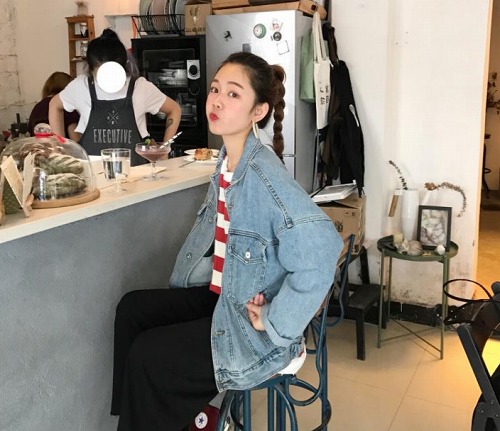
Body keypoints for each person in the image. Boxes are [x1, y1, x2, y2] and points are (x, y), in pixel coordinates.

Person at [110, 51, 343, 431]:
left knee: (148, 355)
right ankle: (148, 418)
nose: (217, 100)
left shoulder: (263, 176)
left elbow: (322, 249)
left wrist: (276, 319)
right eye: (215, 89)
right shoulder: (226, 163)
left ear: (258, 111)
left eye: (234, 94)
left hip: (250, 326)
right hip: (222, 295)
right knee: (132, 310)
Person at [49, 28, 181, 165]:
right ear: (90, 70)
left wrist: (164, 150)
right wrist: (59, 151)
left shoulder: (140, 88)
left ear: (123, 68)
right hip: (93, 173)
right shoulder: (81, 87)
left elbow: (174, 110)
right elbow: (54, 105)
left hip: (135, 174)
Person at [28, 72, 80, 141]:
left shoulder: (37, 107)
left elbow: (31, 133)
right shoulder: (65, 106)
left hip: (40, 147)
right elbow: (75, 139)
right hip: (62, 147)